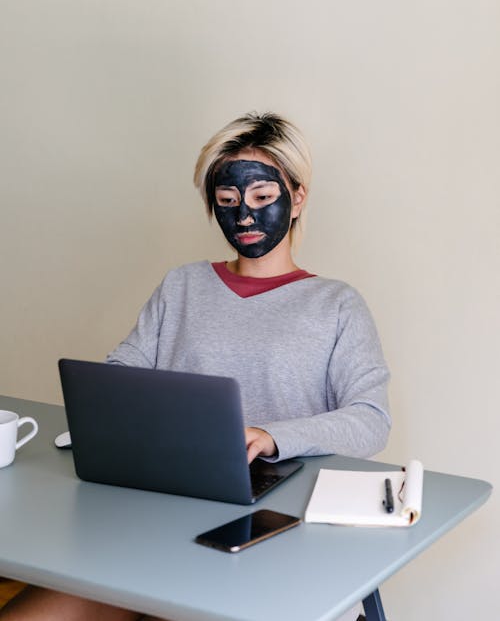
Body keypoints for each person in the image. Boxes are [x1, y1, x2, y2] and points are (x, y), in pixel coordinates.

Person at [1, 113, 390, 621]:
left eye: (261, 198)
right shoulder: (182, 286)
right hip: (155, 518)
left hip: (271, 531)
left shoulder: (336, 304)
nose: (244, 216)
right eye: (227, 202)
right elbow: (123, 371)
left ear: (297, 198)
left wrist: (269, 436)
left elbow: (370, 420)